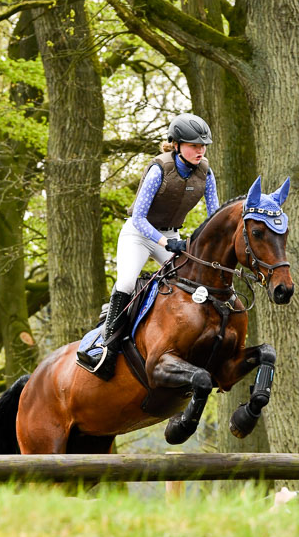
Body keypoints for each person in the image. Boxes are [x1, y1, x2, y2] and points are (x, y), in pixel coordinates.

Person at [77, 112, 220, 381]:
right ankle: (104, 344)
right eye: (194, 145)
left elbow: (215, 216)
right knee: (128, 282)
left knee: (192, 282)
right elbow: (138, 218)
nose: (200, 151)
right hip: (140, 235)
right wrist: (168, 242)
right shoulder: (159, 169)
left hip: (172, 236)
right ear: (176, 144)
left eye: (203, 146)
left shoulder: (206, 173)